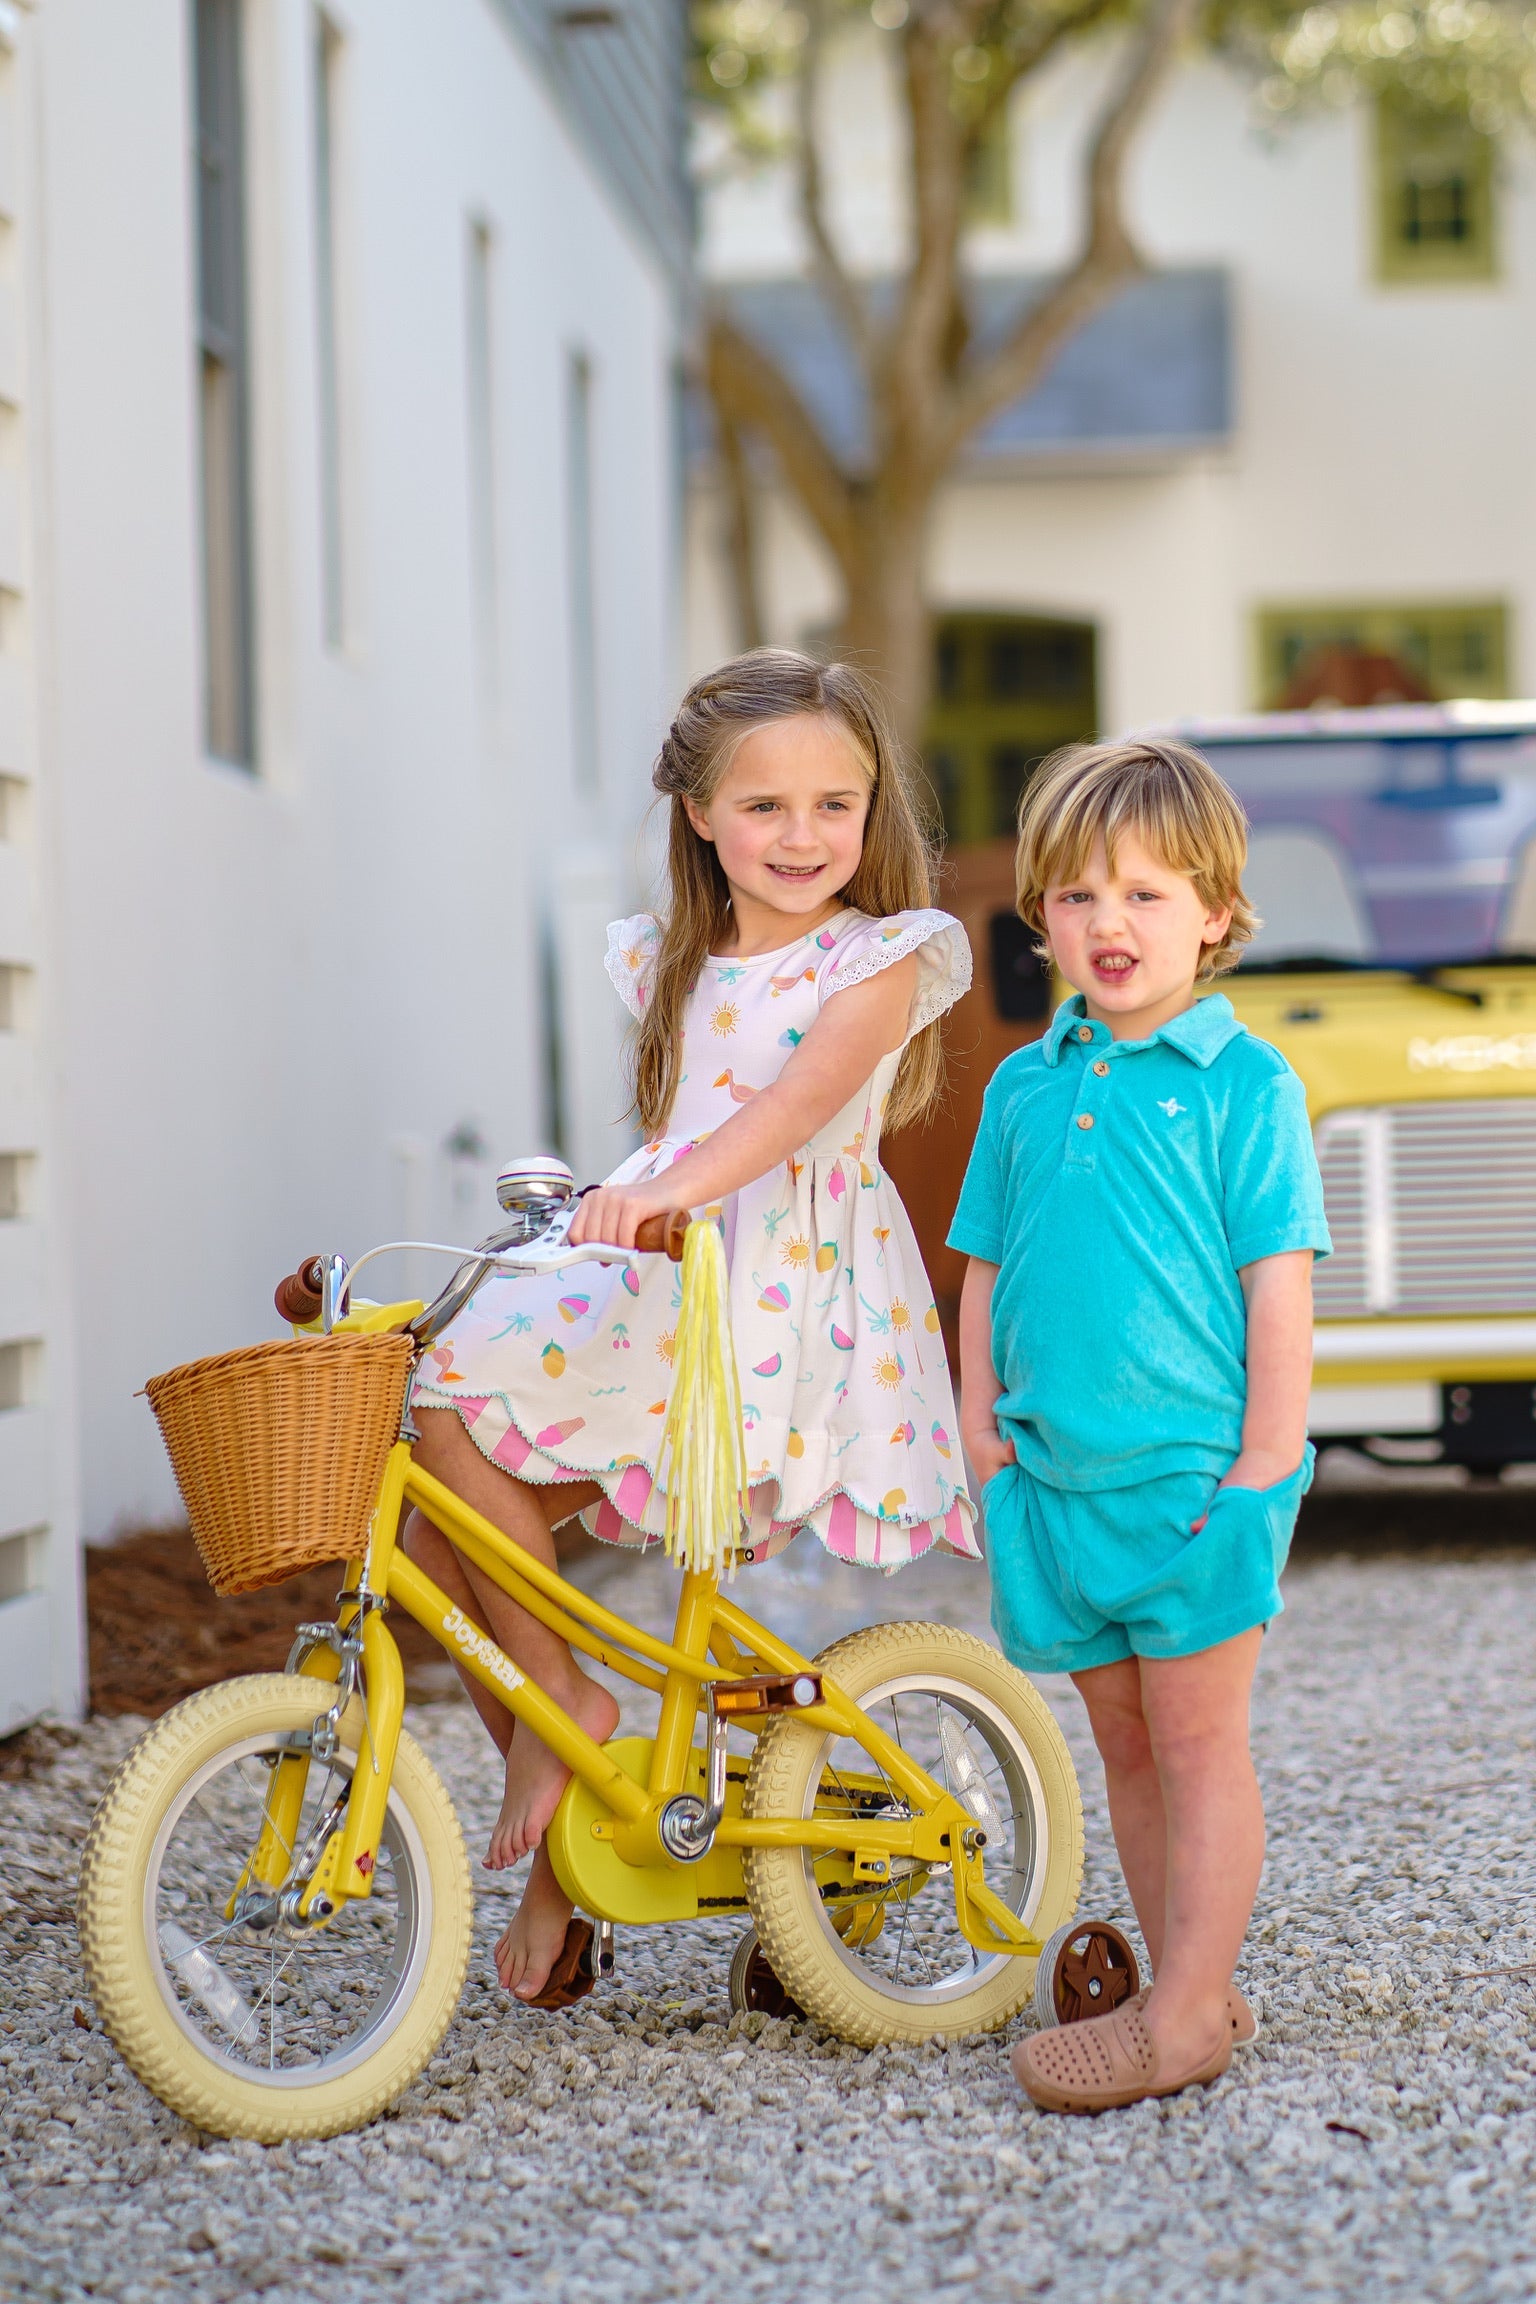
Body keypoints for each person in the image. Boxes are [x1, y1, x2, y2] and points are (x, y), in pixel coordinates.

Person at [405, 649, 978, 2004]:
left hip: (775, 1298)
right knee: (439, 1507)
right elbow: (685, 1124)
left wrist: (661, 1190)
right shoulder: (674, 961)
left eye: (835, 806)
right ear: (702, 815)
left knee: (453, 1424)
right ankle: (567, 1743)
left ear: (873, 810)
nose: (803, 837)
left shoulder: (878, 958)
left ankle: (564, 1787)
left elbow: (784, 1116)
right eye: (767, 807)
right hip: (671, 1271)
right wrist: (621, 1203)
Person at [949, 737, 1330, 2115]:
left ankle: (1180, 2023)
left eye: (1147, 895)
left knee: (1197, 1742)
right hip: (1054, 1481)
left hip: (1194, 1480)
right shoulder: (1023, 1087)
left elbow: (1275, 1297)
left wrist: (1261, 1470)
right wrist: (986, 1446)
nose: (1109, 925)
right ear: (1039, 913)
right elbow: (983, 1283)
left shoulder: (1245, 1087)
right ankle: (1193, 1974)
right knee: (1121, 1745)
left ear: (1215, 913)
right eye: (1077, 897)